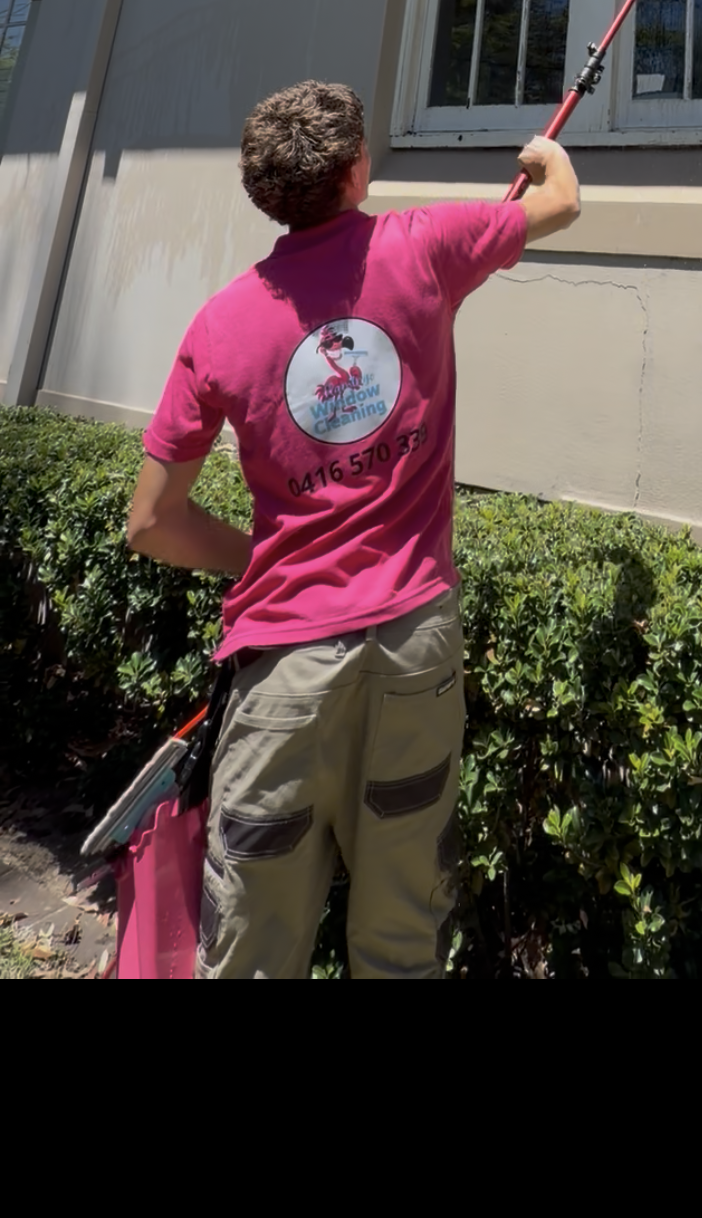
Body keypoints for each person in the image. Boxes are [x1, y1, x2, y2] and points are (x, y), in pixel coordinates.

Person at [125, 78, 580, 979]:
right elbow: (561, 199)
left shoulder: (219, 326)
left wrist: (264, 558)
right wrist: (544, 157)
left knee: (255, 944)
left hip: (283, 676)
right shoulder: (428, 247)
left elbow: (150, 522)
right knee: (403, 932)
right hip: (414, 651)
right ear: (356, 171)